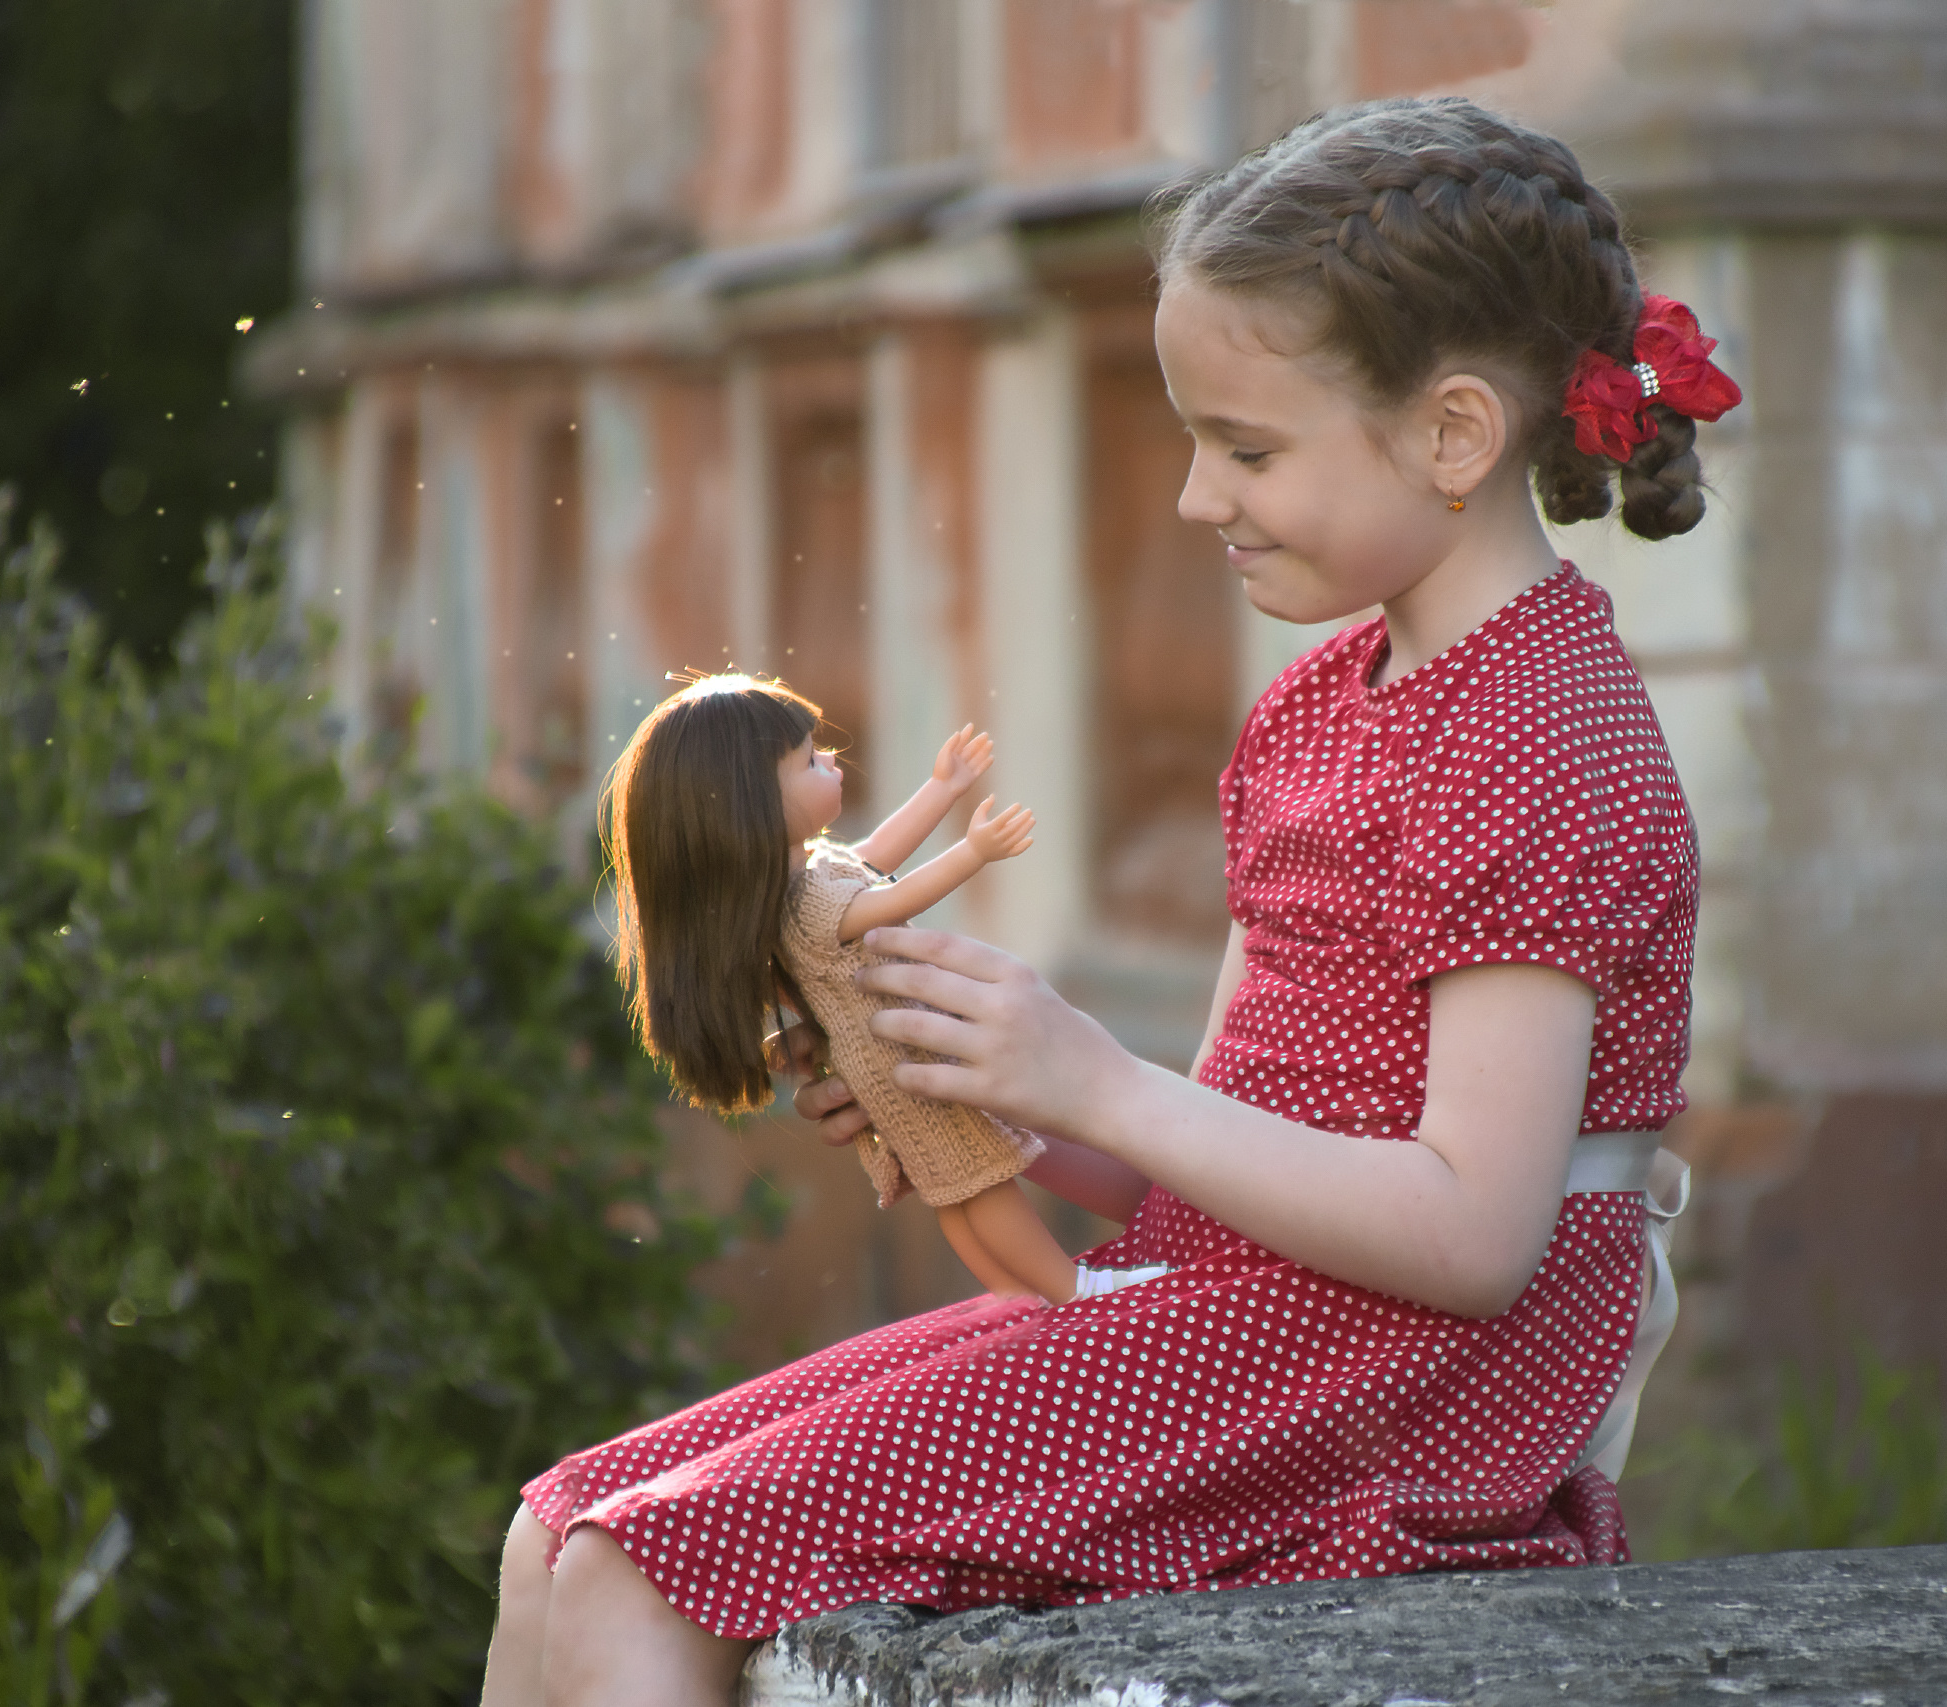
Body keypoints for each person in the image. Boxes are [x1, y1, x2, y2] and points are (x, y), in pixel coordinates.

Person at [481, 94, 1737, 1707]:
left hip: (1402, 1376)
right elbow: (1215, 1144)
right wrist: (991, 1094)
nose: (1197, 501)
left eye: (1250, 448)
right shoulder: (1320, 702)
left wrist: (1094, 1077)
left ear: (1454, 436)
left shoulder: (1539, 741)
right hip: (1248, 1307)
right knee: (565, 1522)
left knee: (640, 1574)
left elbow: (1474, 1234)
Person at [604, 684, 1080, 1306]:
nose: (831, 760)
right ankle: (1070, 1288)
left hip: (893, 1056)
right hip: (902, 1058)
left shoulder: (807, 875)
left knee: (953, 1186)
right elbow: (892, 898)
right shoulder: (807, 903)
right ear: (753, 808)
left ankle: (1017, 1293)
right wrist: (974, 851)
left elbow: (877, 856)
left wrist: (942, 787)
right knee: (975, 1179)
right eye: (808, 761)